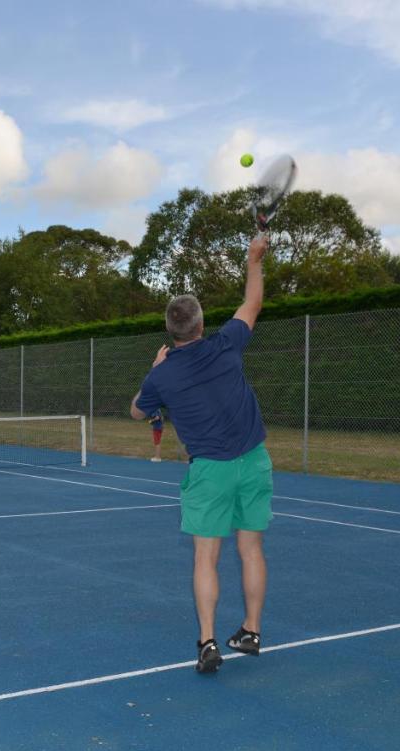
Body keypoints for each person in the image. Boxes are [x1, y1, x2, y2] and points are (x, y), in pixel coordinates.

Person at [130, 233, 272, 675]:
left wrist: (154, 372)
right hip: (254, 462)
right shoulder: (226, 344)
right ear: (200, 324)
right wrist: (253, 259)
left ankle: (208, 642)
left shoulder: (163, 375)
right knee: (250, 549)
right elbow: (252, 302)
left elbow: (137, 412)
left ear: (171, 332)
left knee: (205, 557)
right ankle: (251, 630)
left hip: (211, 472)